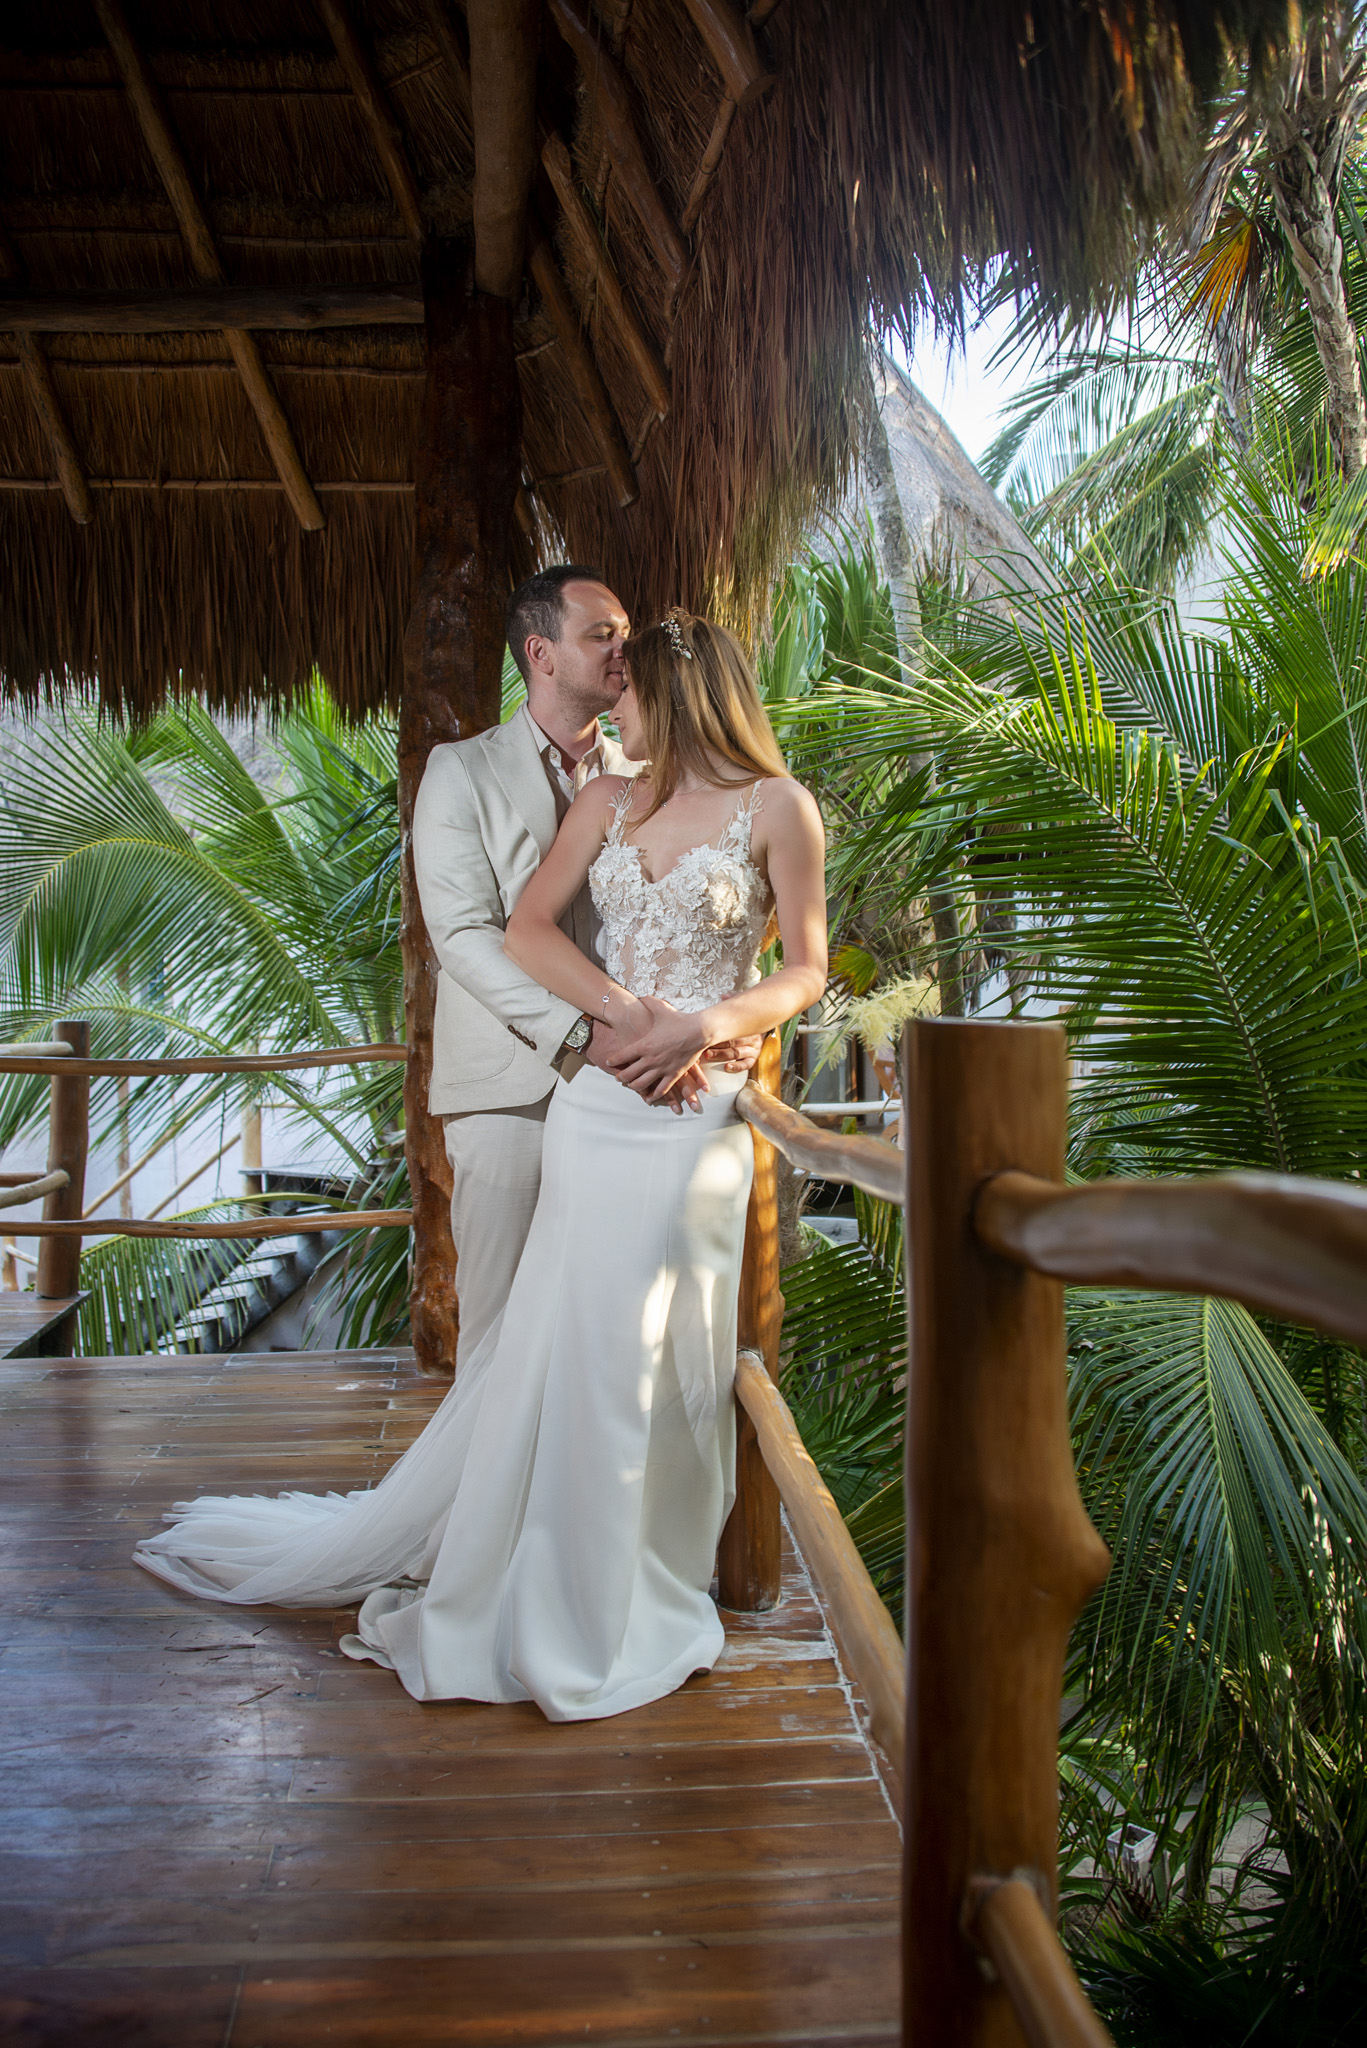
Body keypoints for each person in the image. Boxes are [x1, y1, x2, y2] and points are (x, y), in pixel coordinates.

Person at [134, 609, 827, 1723]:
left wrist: (702, 1023)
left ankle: (644, 1569)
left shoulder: (776, 807)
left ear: (675, 689)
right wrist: (620, 1016)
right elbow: (523, 930)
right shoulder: (607, 799)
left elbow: (806, 966)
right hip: (597, 1110)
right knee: (570, 1348)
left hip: (693, 1117)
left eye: (629, 684)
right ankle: (551, 1582)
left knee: (667, 1356)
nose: (615, 701)